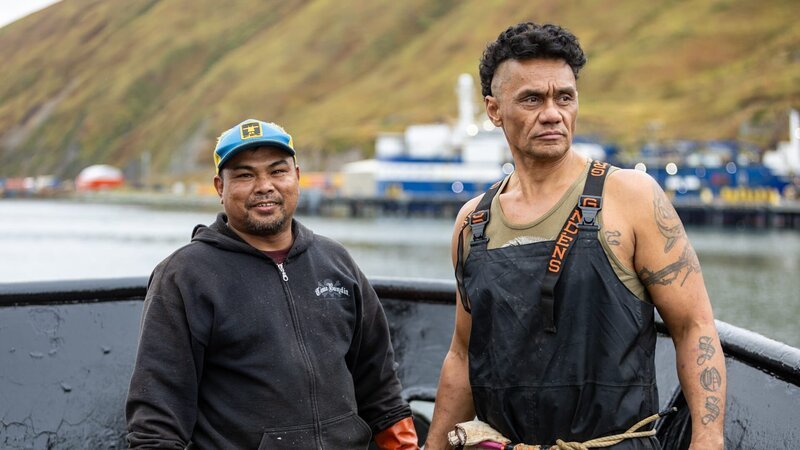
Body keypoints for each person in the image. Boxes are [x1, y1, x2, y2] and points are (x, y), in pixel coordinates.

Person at [424, 23, 726, 450]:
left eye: (564, 97)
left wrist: (708, 440)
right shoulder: (473, 223)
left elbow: (694, 326)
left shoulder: (632, 198)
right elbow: (461, 354)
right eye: (532, 99)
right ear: (494, 110)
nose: (552, 113)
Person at [126, 119, 419, 449]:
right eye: (245, 174)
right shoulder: (185, 277)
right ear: (220, 187)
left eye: (277, 171)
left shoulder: (336, 262)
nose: (264, 185)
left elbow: (380, 389)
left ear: (297, 176)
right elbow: (156, 423)